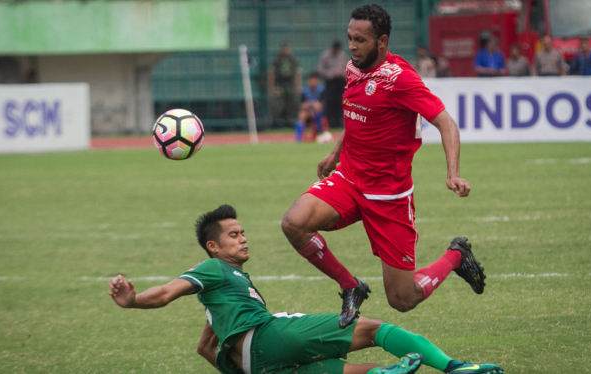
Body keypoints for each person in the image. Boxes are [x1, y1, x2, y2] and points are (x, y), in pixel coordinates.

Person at [108, 205, 506, 374]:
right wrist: (133, 300)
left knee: (356, 371)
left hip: (258, 365)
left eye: (243, 232)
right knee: (371, 329)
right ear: (213, 246)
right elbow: (166, 292)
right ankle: (457, 367)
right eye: (233, 235)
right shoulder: (212, 269)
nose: (243, 239)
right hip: (264, 339)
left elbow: (204, 347)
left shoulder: (224, 293)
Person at [281, 4, 484, 330]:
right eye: (350, 38)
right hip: (349, 178)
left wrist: (453, 173)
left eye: (360, 40)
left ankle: (457, 256)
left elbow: (446, 123)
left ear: (382, 41)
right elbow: (359, 116)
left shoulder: (400, 79)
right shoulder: (352, 69)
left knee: (403, 300)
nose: (352, 46)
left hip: (388, 197)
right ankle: (351, 286)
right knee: (294, 223)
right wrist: (335, 154)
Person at [269, 43, 302, 128]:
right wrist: (271, 86)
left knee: (291, 103)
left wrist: (298, 86)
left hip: (290, 84)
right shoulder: (277, 59)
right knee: (277, 104)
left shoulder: (293, 59)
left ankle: (289, 121)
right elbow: (272, 73)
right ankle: (275, 122)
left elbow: (297, 74)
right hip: (279, 84)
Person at [318, 40, 349, 130]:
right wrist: (331, 74)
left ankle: (339, 121)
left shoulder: (343, 56)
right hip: (330, 82)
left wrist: (341, 73)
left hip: (341, 82)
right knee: (330, 102)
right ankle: (330, 122)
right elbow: (320, 69)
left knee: (341, 102)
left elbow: (347, 69)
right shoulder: (325, 56)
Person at [295, 71, 328, 142]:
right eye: (311, 80)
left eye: (314, 80)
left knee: (318, 110)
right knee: (301, 115)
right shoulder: (304, 92)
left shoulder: (322, 91)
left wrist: (311, 105)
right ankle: (298, 139)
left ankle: (320, 132)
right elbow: (302, 105)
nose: (312, 82)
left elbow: (321, 105)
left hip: (319, 113)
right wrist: (311, 104)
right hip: (308, 112)